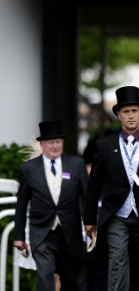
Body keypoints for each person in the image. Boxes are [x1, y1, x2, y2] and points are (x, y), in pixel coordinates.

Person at [83, 86, 139, 291]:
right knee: (117, 261)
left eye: (134, 111)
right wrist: (89, 220)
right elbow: (94, 185)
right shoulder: (105, 145)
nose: (130, 116)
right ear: (118, 115)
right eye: (126, 112)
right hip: (117, 214)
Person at [14, 121, 88, 291]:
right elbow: (22, 204)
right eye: (51, 142)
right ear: (42, 144)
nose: (55, 146)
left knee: (71, 279)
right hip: (42, 232)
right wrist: (19, 236)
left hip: (70, 231)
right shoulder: (29, 168)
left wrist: (90, 225)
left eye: (58, 142)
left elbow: (86, 198)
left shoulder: (76, 164)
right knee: (45, 273)